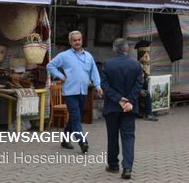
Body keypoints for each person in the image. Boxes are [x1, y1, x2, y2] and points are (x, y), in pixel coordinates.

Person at [47, 30, 103, 153]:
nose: (77, 42)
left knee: (74, 118)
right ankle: (82, 141)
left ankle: (65, 140)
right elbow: (50, 66)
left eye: (79, 40)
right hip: (70, 93)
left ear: (82, 40)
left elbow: (94, 72)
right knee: (76, 117)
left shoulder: (88, 56)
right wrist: (60, 76)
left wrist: (98, 86)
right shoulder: (64, 56)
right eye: (74, 40)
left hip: (84, 92)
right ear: (70, 42)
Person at [102, 38, 144, 180]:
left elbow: (105, 85)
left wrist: (118, 99)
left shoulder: (107, 64)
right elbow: (139, 84)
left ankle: (113, 164)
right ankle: (127, 168)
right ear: (127, 49)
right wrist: (129, 100)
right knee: (128, 136)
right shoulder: (136, 65)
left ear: (114, 49)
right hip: (129, 107)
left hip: (112, 107)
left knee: (112, 136)